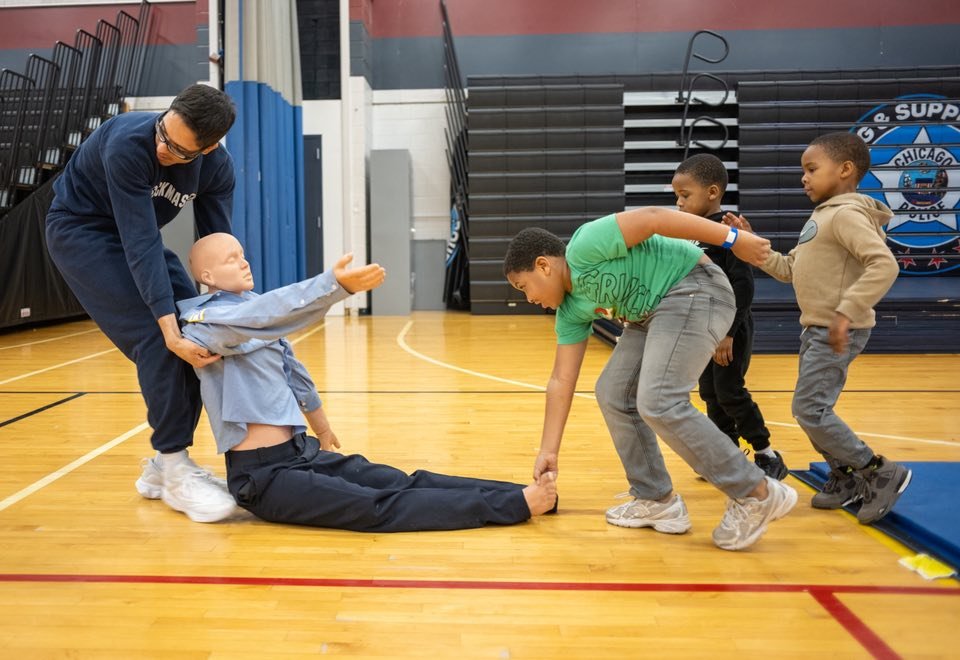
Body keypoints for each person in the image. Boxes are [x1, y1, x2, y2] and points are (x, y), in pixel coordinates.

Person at [177, 233, 558, 532]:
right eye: (231, 259)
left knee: (404, 481)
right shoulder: (201, 326)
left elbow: (296, 374)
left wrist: (322, 429)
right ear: (207, 276)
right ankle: (516, 505)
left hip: (302, 452)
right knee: (376, 506)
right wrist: (332, 285)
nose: (244, 262)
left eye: (242, 254)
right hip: (264, 477)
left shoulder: (256, 311)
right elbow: (262, 315)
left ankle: (521, 493)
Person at [503, 207, 798, 551]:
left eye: (524, 287)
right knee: (613, 392)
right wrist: (548, 451)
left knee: (659, 400)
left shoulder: (585, 246)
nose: (529, 299)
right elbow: (560, 381)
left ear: (543, 265)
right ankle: (656, 499)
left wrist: (734, 239)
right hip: (651, 316)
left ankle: (756, 492)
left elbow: (655, 218)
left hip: (694, 287)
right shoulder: (571, 311)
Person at [45, 84, 239, 523]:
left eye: (178, 150)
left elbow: (216, 248)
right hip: (81, 232)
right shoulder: (128, 144)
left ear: (208, 149)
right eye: (163, 134)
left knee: (198, 332)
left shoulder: (217, 170)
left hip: (137, 238)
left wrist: (226, 315)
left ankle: (162, 469)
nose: (162, 149)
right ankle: (173, 467)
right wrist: (168, 329)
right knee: (159, 338)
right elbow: (140, 241)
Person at [725, 132, 911, 524]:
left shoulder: (846, 215)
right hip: (816, 328)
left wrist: (847, 311)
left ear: (845, 169)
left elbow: (884, 264)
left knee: (809, 409)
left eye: (811, 169)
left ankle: (877, 471)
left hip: (836, 328)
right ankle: (844, 475)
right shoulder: (823, 216)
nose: (804, 178)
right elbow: (789, 269)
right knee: (810, 409)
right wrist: (752, 244)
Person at [671, 154, 788, 480]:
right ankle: (727, 455)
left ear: (712, 192)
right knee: (710, 393)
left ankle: (767, 454)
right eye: (677, 196)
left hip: (729, 330)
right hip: (703, 330)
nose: (679, 203)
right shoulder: (689, 233)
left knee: (730, 392)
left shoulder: (726, 231)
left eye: (685, 195)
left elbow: (743, 285)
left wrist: (728, 333)